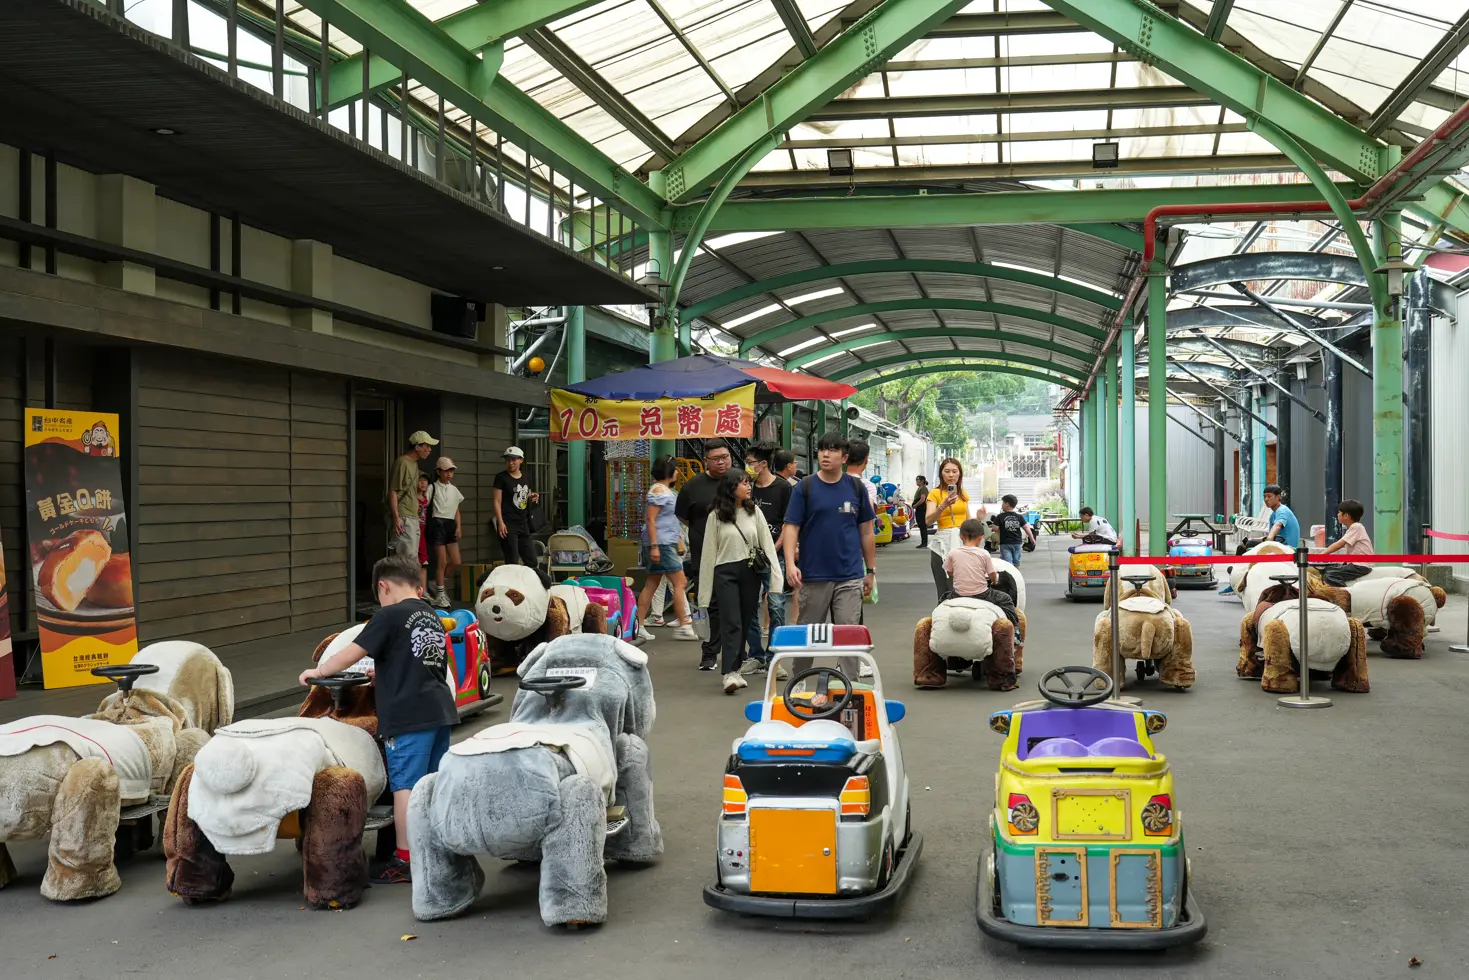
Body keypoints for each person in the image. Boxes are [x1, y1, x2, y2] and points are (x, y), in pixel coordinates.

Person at [300, 553, 456, 885]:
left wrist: (319, 671)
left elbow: (351, 652)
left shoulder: (389, 616)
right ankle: (436, 848)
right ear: (418, 585)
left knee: (405, 787)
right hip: (440, 710)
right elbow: (424, 661)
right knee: (432, 784)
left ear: (383, 587)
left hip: (408, 716)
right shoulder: (429, 613)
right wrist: (383, 676)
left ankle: (404, 859)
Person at [698, 471, 782, 694]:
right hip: (724, 572)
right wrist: (704, 594)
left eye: (749, 483)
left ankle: (735, 669)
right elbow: (708, 555)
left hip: (750, 571)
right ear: (731, 487)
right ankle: (729, 673)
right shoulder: (715, 516)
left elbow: (768, 545)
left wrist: (776, 579)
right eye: (744, 483)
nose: (748, 487)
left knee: (746, 620)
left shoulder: (754, 511)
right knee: (731, 621)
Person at [782, 431, 876, 626]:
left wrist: (870, 570)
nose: (825, 454)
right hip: (813, 575)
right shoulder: (805, 487)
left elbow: (867, 531)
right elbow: (791, 527)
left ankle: (848, 658)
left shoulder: (856, 488)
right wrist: (790, 564)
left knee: (849, 641)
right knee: (808, 642)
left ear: (844, 458)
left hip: (850, 576)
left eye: (833, 450)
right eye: (822, 449)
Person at [677, 440, 734, 671]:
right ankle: (710, 653)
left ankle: (738, 655)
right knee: (709, 606)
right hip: (704, 558)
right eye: (716, 458)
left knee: (737, 608)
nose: (722, 462)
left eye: (725, 456)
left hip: (735, 556)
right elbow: (684, 518)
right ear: (706, 461)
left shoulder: (738, 481)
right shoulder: (693, 486)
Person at [742, 443, 793, 675]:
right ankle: (756, 655)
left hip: (774, 557)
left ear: (762, 464)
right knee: (749, 606)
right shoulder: (746, 486)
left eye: (751, 462)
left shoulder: (783, 488)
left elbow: (788, 523)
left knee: (776, 605)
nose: (748, 467)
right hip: (748, 557)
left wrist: (775, 547)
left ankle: (775, 658)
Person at [636, 455, 697, 642]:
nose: (678, 472)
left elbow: (667, 520)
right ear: (669, 472)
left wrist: (677, 539)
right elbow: (651, 519)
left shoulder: (662, 490)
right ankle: (684, 625)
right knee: (680, 582)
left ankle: (639, 626)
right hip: (661, 543)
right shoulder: (659, 491)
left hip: (664, 542)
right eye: (675, 469)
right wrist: (654, 546)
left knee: (651, 584)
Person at [944, 518, 1022, 640]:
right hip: (981, 594)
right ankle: (1016, 631)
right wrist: (995, 580)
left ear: (961, 537)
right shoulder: (984, 553)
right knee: (1006, 600)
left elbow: (949, 572)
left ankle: (935, 625)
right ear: (980, 538)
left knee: (943, 598)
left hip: (958, 594)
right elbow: (991, 574)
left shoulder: (953, 553)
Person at [388, 430, 437, 563]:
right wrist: (396, 518)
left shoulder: (414, 464)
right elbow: (393, 491)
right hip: (404, 517)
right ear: (417, 447)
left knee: (413, 558)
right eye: (427, 446)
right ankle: (401, 584)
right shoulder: (402, 462)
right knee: (405, 560)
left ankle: (410, 584)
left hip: (413, 517)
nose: (429, 450)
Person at [926, 458, 971, 599]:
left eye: (954, 471)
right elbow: (928, 521)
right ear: (941, 474)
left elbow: (968, 521)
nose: (951, 475)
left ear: (959, 474)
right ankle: (943, 618)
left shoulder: (962, 494)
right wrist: (943, 506)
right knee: (944, 588)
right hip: (942, 544)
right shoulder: (935, 493)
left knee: (964, 585)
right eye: (947, 471)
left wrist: (979, 519)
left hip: (962, 542)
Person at [426, 457, 465, 609]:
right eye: (445, 470)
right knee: (441, 561)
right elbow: (423, 504)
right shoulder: (432, 487)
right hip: (437, 523)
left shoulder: (454, 490)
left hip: (450, 524)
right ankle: (441, 593)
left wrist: (459, 526)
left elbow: (456, 510)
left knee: (456, 561)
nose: (449, 474)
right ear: (438, 471)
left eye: (451, 470)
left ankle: (437, 584)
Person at [493, 447, 540, 567]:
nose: (510, 463)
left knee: (532, 561)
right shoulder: (501, 477)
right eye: (507, 460)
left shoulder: (527, 477)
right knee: (512, 561)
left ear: (521, 460)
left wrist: (533, 496)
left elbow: (526, 495)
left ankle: (524, 583)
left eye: (513, 459)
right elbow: (497, 501)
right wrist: (501, 522)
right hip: (508, 523)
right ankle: (511, 584)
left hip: (523, 522)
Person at [772, 448, 800, 625]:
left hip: (775, 546)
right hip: (780, 547)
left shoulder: (775, 485)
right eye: (795, 462)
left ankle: (768, 625)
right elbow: (789, 523)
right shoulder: (788, 487)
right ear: (789, 466)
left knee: (773, 590)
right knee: (783, 587)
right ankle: (796, 622)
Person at [1319, 498, 1374, 586]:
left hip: (1360, 565)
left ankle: (1344, 593)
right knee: (1327, 569)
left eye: (1339, 512)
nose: (1337, 515)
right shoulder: (1353, 528)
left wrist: (1322, 554)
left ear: (1346, 516)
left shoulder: (1356, 527)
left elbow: (1339, 544)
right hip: (1355, 564)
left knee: (1330, 575)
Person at [990, 494, 1036, 567]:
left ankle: (1010, 576)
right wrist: (1031, 538)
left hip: (1005, 543)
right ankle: (1016, 575)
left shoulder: (1000, 516)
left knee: (1007, 562)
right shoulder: (1019, 516)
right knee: (1016, 561)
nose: (1001, 505)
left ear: (1007, 505)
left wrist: (993, 526)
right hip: (1017, 543)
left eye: (1002, 503)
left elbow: (995, 529)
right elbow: (1026, 528)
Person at [846, 439, 881, 515]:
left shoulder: (835, 482)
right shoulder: (868, 487)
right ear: (866, 460)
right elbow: (868, 517)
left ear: (845, 458)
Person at [1262, 484, 1301, 548]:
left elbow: (1277, 525)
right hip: (1278, 545)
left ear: (1278, 497)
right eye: (1265, 496)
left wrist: (1269, 539)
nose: (1266, 499)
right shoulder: (1273, 515)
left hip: (1287, 549)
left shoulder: (1282, 510)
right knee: (1249, 543)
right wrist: (1252, 539)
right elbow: (1271, 536)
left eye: (1269, 496)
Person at [415, 472, 431, 592]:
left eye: (425, 481)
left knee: (424, 560)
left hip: (424, 530)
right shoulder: (413, 498)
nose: (423, 483)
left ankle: (423, 591)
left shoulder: (426, 498)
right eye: (420, 480)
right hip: (415, 529)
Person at [912, 475, 930, 548]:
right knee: (920, 525)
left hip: (922, 508)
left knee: (923, 526)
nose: (916, 481)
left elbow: (922, 499)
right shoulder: (919, 489)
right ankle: (923, 542)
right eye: (916, 480)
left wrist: (915, 505)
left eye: (918, 480)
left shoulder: (923, 488)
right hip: (918, 509)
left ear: (922, 481)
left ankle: (924, 542)